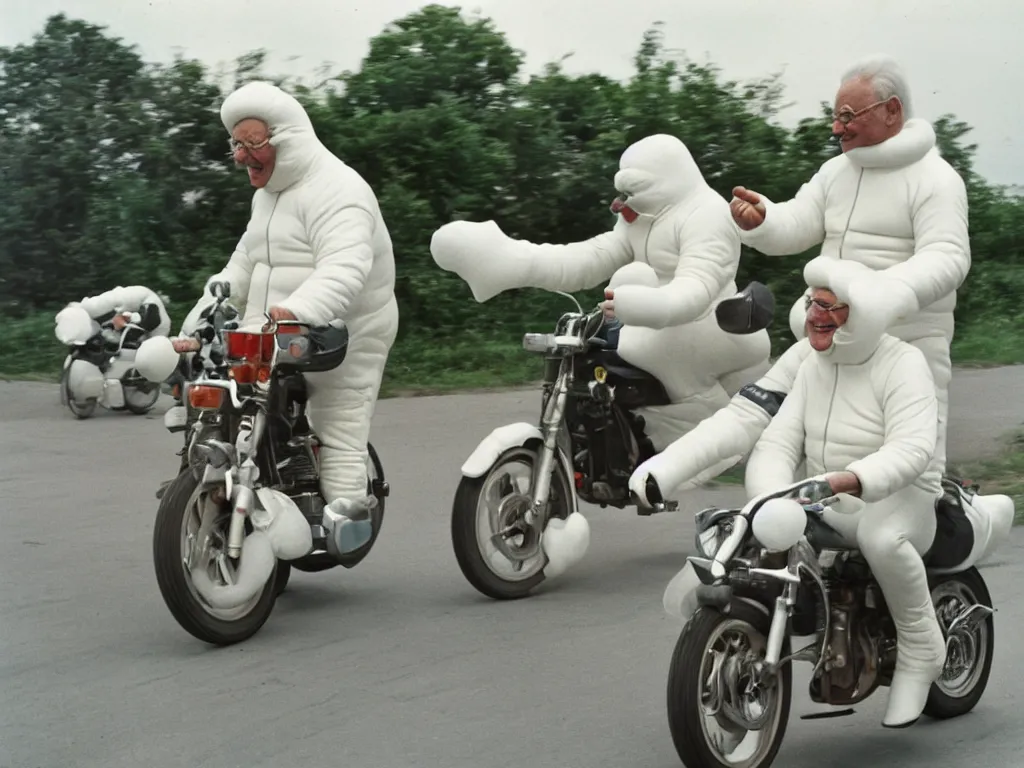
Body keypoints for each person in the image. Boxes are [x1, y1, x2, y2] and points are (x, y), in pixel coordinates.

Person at [430, 132, 771, 454]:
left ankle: (706, 440)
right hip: (654, 315)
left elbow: (695, 291)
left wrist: (637, 304)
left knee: (638, 341)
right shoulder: (643, 215)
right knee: (602, 342)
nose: (625, 200)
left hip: (713, 324)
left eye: (635, 188)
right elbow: (592, 258)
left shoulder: (707, 214)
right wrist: (517, 260)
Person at [176, 81, 399, 559]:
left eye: (252, 143)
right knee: (234, 412)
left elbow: (345, 268)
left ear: (287, 139)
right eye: (236, 144)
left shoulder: (340, 189)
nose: (240, 156)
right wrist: (201, 318)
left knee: (337, 424)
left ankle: (346, 519)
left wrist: (296, 313)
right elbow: (243, 262)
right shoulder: (267, 197)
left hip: (346, 328)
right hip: (275, 329)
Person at [728, 54, 969, 484]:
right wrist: (764, 221)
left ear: (892, 110)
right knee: (823, 445)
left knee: (911, 466)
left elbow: (948, 257)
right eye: (835, 116)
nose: (837, 128)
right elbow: (799, 222)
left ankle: (930, 531)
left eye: (847, 115)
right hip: (834, 334)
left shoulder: (936, 178)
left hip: (909, 344)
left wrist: (876, 297)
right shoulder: (834, 173)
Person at [75, 285, 172, 349]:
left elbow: (150, 323)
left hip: (144, 342)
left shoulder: (152, 308)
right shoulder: (148, 304)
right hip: (144, 337)